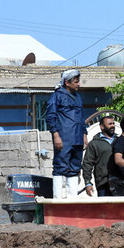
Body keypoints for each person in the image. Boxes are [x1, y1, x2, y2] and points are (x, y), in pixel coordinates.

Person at [46, 69, 88, 199]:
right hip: (64, 138)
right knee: (60, 167)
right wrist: (55, 135)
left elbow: (81, 117)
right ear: (67, 82)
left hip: (77, 138)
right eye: (76, 82)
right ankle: (57, 198)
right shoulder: (57, 96)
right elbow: (50, 116)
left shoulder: (78, 97)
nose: (79, 84)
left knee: (75, 167)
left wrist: (84, 134)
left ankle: (72, 199)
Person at [82, 115, 116, 197]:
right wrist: (88, 183)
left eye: (113, 123)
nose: (112, 126)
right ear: (102, 127)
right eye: (110, 124)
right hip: (103, 183)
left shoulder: (119, 141)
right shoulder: (94, 143)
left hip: (118, 182)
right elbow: (87, 164)